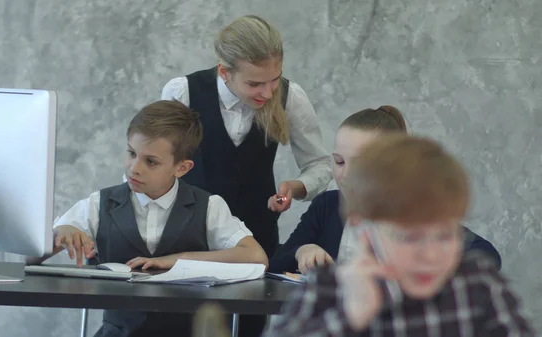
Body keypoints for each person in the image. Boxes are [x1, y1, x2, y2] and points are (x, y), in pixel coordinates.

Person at [264, 134, 535, 337]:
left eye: (444, 235)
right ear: (366, 232)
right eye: (409, 238)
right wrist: (351, 314)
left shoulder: (477, 284)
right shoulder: (327, 290)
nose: (430, 254)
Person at [49, 100, 268, 337]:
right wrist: (62, 232)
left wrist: (177, 260)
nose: (134, 168)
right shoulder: (99, 204)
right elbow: (32, 254)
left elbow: (256, 257)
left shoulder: (209, 207)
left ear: (182, 168)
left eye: (150, 161)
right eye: (131, 153)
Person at [160, 15, 332, 259]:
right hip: (188, 240)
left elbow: (320, 165)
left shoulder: (290, 97)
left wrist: (295, 187)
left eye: (274, 80)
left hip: (257, 243)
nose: (267, 92)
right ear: (224, 72)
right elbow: (155, 162)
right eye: (254, 83)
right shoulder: (182, 92)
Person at [268, 106, 502, 274]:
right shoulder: (327, 206)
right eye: (339, 162)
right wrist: (302, 251)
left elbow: (487, 257)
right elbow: (277, 263)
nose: (346, 174)